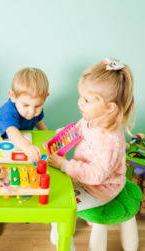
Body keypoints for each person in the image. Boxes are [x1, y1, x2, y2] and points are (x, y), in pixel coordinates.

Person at [43, 58, 135, 251]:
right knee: (51, 194)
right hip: (82, 178)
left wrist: (65, 165)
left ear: (109, 107)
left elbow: (96, 175)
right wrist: (56, 140)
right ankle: (58, 235)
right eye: (80, 96)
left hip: (100, 189)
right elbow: (75, 132)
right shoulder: (91, 118)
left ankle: (66, 244)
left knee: (59, 206)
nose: (79, 103)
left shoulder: (110, 140)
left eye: (86, 100)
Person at [0, 67, 49, 241]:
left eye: (38, 106)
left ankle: (20, 193)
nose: (31, 111)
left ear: (45, 98)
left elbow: (39, 121)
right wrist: (27, 146)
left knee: (16, 176)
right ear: (12, 96)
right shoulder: (7, 112)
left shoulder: (34, 109)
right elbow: (12, 132)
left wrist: (48, 136)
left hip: (17, 149)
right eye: (25, 105)